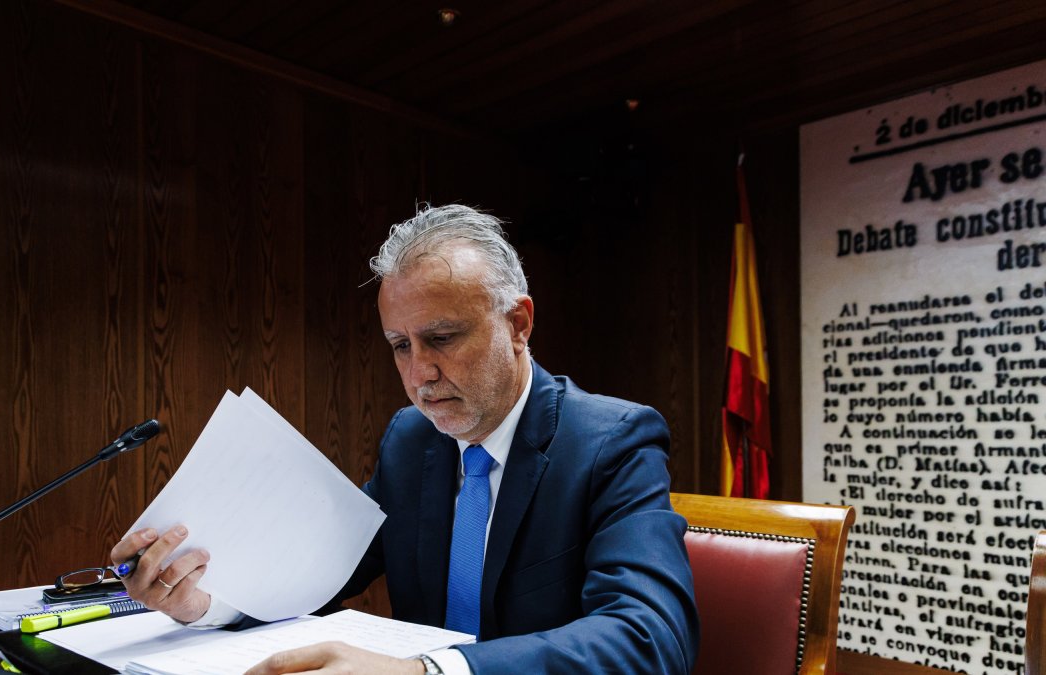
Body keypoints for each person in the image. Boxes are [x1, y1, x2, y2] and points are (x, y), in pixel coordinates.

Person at [111, 204, 699, 674]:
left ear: (518, 325)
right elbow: (319, 579)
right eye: (400, 346)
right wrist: (207, 603)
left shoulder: (613, 442)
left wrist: (429, 671)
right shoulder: (412, 440)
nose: (419, 374)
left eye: (442, 338)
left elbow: (648, 638)